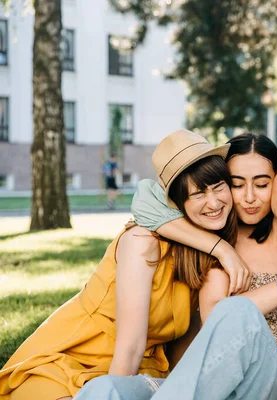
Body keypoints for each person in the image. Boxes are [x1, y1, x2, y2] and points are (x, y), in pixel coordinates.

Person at [0, 130, 259, 400]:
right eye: (198, 194)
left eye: (219, 187)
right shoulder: (142, 241)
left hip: (144, 368)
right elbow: (130, 346)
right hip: (75, 355)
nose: (214, 202)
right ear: (178, 202)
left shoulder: (201, 254)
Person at [126, 130, 277, 392]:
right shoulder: (217, 233)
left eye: (261, 184)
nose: (249, 198)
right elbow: (145, 199)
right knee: (108, 390)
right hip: (219, 375)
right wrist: (223, 248)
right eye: (236, 184)